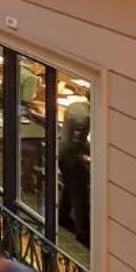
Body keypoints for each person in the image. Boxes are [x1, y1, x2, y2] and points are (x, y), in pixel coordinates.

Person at [56, 103, 92, 246]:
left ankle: (63, 217)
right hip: (70, 157)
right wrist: (90, 154)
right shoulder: (85, 117)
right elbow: (77, 143)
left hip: (62, 151)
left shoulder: (75, 106)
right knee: (80, 194)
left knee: (69, 185)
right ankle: (82, 232)